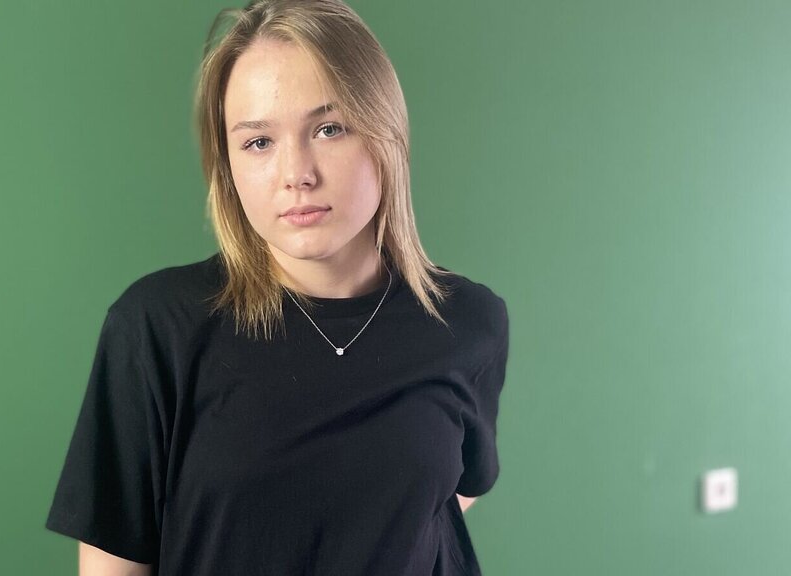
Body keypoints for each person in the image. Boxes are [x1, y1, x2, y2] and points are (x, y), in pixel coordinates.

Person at [45, 0, 510, 574]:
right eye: (258, 142)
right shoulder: (157, 326)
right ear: (229, 165)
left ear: (386, 131)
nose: (297, 174)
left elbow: (454, 491)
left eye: (329, 128)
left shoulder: (467, 321)